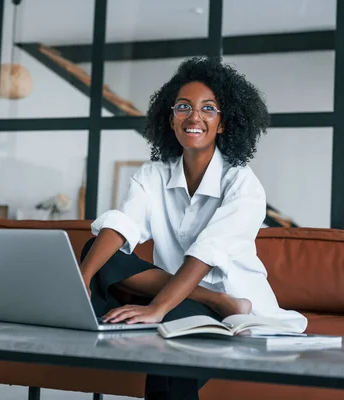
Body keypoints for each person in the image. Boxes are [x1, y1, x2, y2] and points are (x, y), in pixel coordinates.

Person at [79, 56, 307, 400]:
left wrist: (157, 307)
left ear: (224, 124)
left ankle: (209, 304)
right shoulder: (153, 173)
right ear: (170, 119)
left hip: (218, 297)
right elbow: (123, 224)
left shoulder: (242, 183)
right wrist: (80, 279)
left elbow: (206, 253)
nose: (194, 116)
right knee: (95, 253)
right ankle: (216, 302)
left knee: (173, 342)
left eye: (209, 109)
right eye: (183, 107)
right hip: (183, 293)